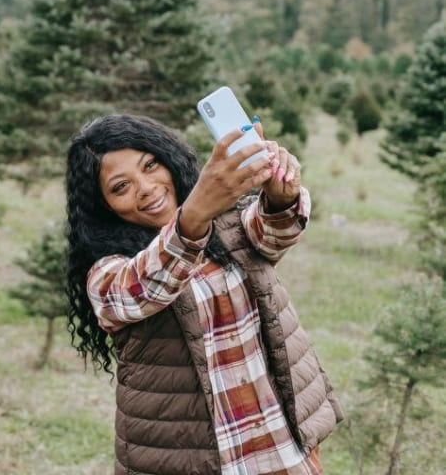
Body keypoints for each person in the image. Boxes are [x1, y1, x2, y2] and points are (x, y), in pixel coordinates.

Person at [64, 113, 343, 474]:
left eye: (151, 165)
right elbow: (144, 286)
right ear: (103, 208)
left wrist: (280, 194)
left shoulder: (229, 221)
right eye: (121, 187)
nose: (146, 187)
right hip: (191, 457)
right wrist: (194, 214)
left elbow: (275, 232)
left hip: (278, 441)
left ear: (168, 159)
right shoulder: (107, 272)